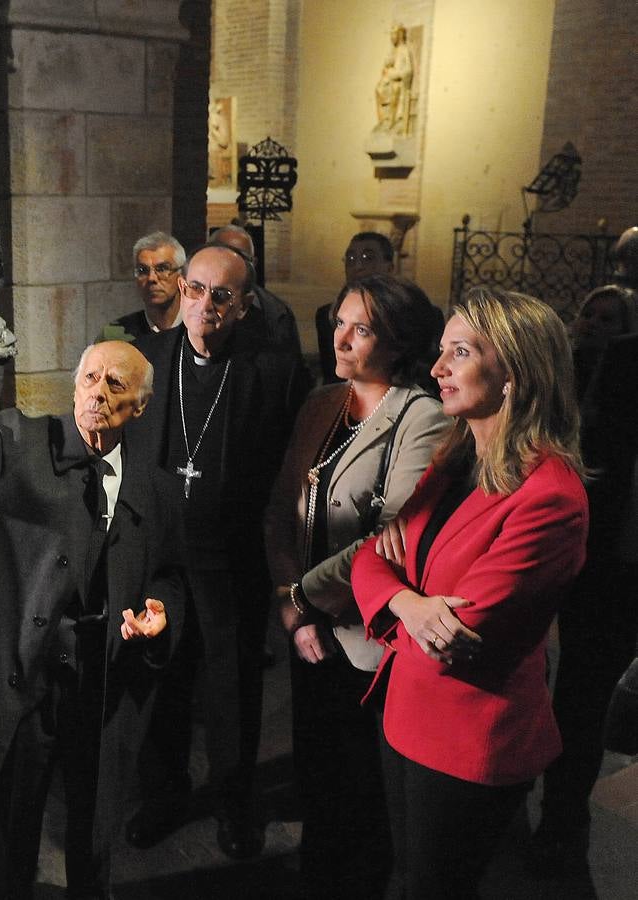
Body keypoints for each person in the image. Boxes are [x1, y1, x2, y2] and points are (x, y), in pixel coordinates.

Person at [0, 317, 186, 900]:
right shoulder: (19, 440)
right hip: (25, 681)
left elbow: (171, 576)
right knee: (12, 829)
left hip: (102, 686)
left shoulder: (156, 491)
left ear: (141, 403)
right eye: (89, 378)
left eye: (114, 384)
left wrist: (162, 614)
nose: (98, 393)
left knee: (94, 829)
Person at [352, 287, 589, 899]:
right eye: (440, 351)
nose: (437, 370)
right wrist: (407, 600)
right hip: (404, 712)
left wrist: (393, 590)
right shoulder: (458, 457)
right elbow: (367, 557)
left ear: (514, 370)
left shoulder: (551, 497)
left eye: (460, 352)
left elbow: (457, 637)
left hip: (467, 736)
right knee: (404, 879)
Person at [265, 275, 448, 898]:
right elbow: (279, 515)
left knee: (362, 799)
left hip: (367, 642)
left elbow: (388, 541)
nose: (340, 337)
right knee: (317, 783)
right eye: (339, 321)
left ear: (396, 343)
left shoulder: (420, 417)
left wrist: (304, 600)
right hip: (308, 628)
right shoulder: (323, 402)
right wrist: (294, 612)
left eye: (361, 329)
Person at [127, 243, 309, 858]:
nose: (204, 305)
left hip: (233, 561)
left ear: (243, 307)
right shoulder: (147, 359)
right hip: (161, 558)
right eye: (196, 290)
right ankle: (164, 794)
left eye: (221, 296)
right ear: (182, 292)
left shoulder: (274, 371)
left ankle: (234, 802)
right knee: (163, 680)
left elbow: (291, 472)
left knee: (232, 687)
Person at [531, 284, 638, 875]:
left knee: (589, 693)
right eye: (588, 313)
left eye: (610, 317)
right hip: (597, 560)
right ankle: (559, 812)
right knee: (576, 690)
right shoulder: (582, 379)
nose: (596, 325)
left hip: (619, 564)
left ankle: (563, 812)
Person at [315, 232, 396, 384]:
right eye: (351, 259)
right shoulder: (326, 315)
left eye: (367, 258)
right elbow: (332, 376)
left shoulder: (421, 316)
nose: (358, 266)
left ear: (389, 267)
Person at [210, 223, 302, 356]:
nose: (233, 265)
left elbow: (291, 367)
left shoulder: (277, 312)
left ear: (254, 264)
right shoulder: (193, 303)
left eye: (243, 258)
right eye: (226, 256)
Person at [96, 231, 184, 342]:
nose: (151, 278)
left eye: (162, 269)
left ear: (182, 276)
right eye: (142, 270)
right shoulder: (115, 335)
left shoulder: (199, 330)